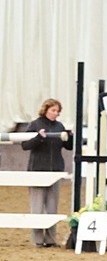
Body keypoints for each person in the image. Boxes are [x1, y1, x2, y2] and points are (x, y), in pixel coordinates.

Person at [20, 99, 73, 248]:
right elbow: (25, 145)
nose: (55, 114)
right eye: (53, 110)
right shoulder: (35, 124)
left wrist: (70, 136)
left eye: (57, 111)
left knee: (52, 205)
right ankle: (37, 239)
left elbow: (68, 147)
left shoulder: (59, 126)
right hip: (37, 169)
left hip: (55, 170)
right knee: (37, 205)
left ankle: (50, 239)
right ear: (45, 110)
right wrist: (39, 138)